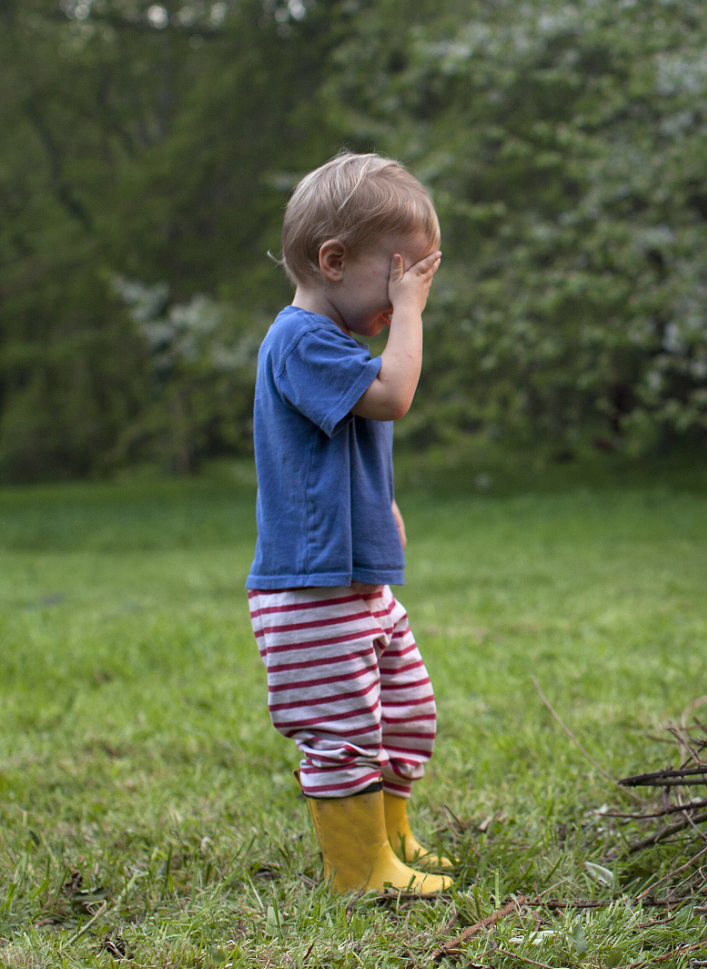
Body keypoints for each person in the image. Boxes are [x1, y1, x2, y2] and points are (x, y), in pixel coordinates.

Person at [245, 151, 452, 895]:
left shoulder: (334, 345)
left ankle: (391, 839)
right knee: (344, 733)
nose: (401, 305)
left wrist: (381, 508)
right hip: (311, 590)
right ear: (333, 260)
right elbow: (393, 397)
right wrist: (413, 315)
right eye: (396, 280)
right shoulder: (300, 340)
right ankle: (359, 869)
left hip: (358, 583)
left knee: (407, 711)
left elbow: (349, 446)